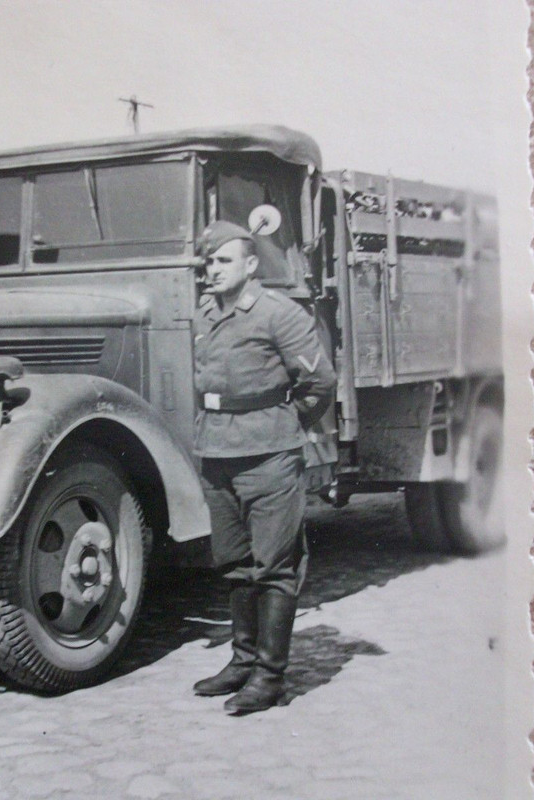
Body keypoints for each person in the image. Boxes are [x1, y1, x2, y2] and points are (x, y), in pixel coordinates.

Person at [191, 220, 335, 715]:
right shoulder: (205, 313)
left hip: (269, 456)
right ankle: (241, 661)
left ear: (251, 266)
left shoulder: (280, 314)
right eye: (209, 262)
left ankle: (269, 677)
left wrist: (283, 425)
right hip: (218, 454)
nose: (213, 269)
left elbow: (319, 384)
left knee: (274, 566)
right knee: (234, 563)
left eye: (223, 260)